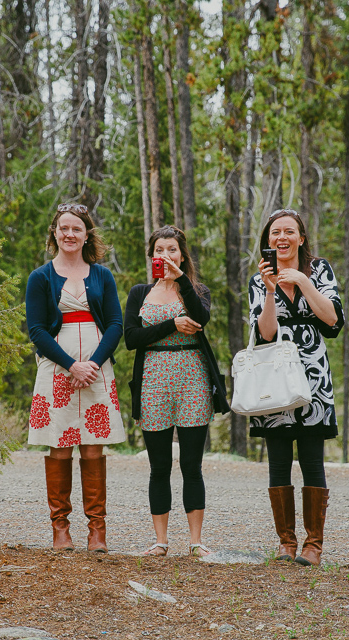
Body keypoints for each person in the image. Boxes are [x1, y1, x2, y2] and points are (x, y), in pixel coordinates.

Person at [25, 203, 126, 553]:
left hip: (96, 371)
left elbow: (115, 323)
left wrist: (93, 364)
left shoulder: (102, 276)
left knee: (93, 446)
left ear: (87, 235)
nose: (70, 234)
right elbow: (36, 330)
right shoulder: (40, 277)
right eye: (63, 228)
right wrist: (72, 365)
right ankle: (60, 528)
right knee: (60, 444)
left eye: (77, 229)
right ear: (54, 232)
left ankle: (97, 530)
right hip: (58, 369)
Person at [124, 226, 229, 557]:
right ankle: (160, 541)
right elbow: (131, 338)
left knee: (191, 465)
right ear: (151, 255)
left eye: (171, 250)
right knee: (159, 466)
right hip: (153, 380)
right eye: (159, 250)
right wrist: (171, 324)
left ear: (182, 255)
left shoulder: (196, 290)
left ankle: (196, 542)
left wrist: (181, 279)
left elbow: (201, 318)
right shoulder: (139, 292)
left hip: (192, 380)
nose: (164, 256)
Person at [248, 209, 344, 566]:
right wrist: (272, 290)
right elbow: (267, 332)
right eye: (276, 233)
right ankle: (286, 543)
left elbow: (332, 319)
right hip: (274, 378)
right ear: (268, 240)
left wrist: (303, 282)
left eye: (290, 231)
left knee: (311, 459)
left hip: (312, 377)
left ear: (301, 238)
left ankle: (313, 545)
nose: (282, 238)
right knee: (278, 461)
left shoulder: (319, 270)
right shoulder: (259, 280)